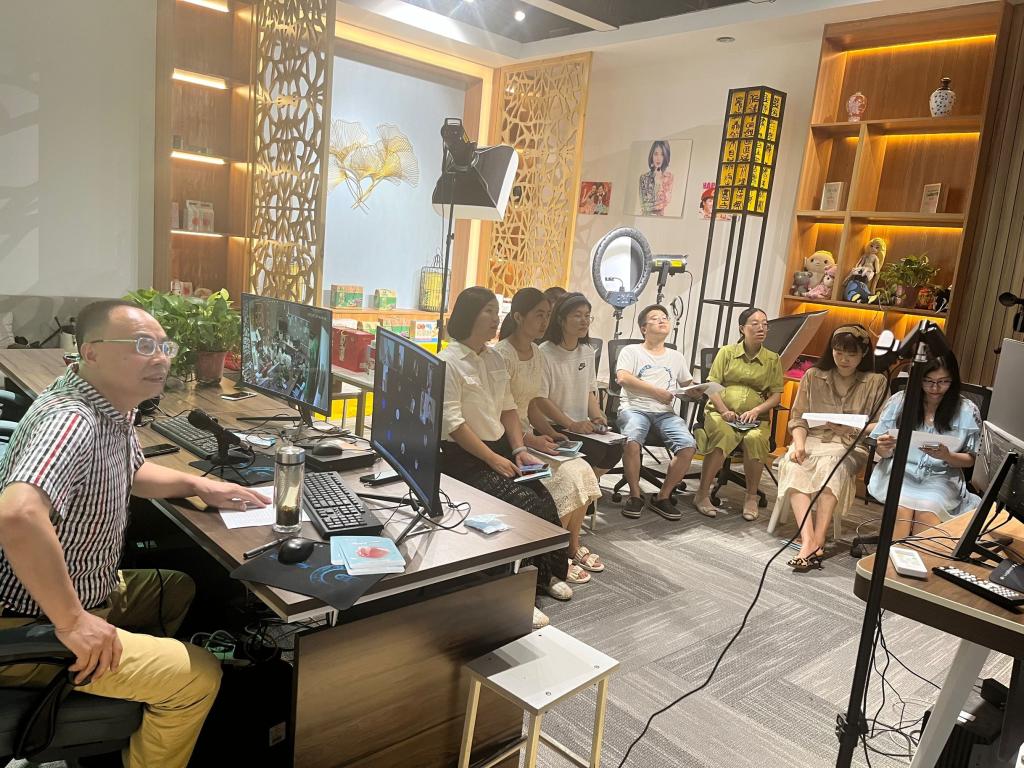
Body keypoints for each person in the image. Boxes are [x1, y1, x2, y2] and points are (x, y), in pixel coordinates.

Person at [0, 299, 271, 768]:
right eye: (143, 345)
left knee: (178, 588)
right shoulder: (72, 421)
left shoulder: (105, 403)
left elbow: (129, 470)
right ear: (90, 351)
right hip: (28, 621)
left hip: (81, 588)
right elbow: (17, 516)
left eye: (164, 346)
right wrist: (72, 622)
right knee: (201, 676)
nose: (160, 358)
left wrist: (199, 485)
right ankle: (137, 690)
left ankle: (129, 698)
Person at [438, 287, 573, 629]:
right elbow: (454, 424)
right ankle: (516, 593)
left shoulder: (494, 358)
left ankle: (545, 576)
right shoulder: (448, 361)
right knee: (519, 505)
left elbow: (509, 409)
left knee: (544, 498)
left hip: (497, 450)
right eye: (488, 310)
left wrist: (518, 450)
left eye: (496, 310)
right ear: (468, 315)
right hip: (463, 459)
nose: (495, 317)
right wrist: (492, 459)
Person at [496, 288, 604, 579]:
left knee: (583, 470)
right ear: (518, 317)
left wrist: (550, 433)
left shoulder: (535, 354)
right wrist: (530, 439)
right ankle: (554, 557)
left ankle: (571, 546)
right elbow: (501, 411)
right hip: (506, 441)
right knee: (565, 480)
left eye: (547, 315)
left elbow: (532, 404)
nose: (544, 321)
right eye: (539, 315)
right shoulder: (501, 355)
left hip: (528, 435)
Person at [773, 325, 887, 571]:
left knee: (831, 465)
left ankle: (819, 537)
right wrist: (799, 445)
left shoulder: (875, 382)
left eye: (851, 354)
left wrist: (852, 427)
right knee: (795, 463)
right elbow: (798, 419)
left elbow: (881, 424)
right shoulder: (814, 376)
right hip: (812, 439)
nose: (844, 359)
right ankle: (809, 541)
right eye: (838, 352)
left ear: (864, 354)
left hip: (849, 444)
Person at [868, 351, 981, 540]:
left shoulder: (966, 410)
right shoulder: (900, 401)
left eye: (943, 381)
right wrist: (883, 447)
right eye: (928, 381)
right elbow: (882, 450)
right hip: (900, 470)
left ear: (953, 380)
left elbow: (971, 459)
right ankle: (891, 556)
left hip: (942, 476)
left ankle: (918, 557)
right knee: (901, 510)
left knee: (928, 511)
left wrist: (947, 456)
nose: (935, 388)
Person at [695, 307, 784, 521]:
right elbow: (711, 386)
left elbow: (776, 396)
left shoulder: (772, 359)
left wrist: (756, 410)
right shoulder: (726, 352)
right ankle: (702, 494)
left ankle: (751, 497)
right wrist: (724, 411)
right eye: (755, 323)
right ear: (742, 328)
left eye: (765, 324)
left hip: (755, 418)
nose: (761, 328)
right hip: (721, 413)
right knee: (725, 434)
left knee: (755, 439)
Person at [614, 305, 700, 520]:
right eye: (655, 318)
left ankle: (662, 496)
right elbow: (623, 377)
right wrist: (656, 392)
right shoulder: (631, 351)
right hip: (634, 408)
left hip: (665, 413)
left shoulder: (676, 356)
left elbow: (687, 384)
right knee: (632, 441)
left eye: (665, 317)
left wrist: (695, 390)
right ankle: (635, 496)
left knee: (688, 446)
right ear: (644, 328)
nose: (662, 320)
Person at [534, 293, 623, 477]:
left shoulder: (587, 351)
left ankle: (589, 486)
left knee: (616, 448)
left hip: (582, 425)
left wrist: (597, 417)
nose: (584, 321)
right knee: (595, 452)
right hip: (555, 425)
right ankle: (583, 487)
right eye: (577, 315)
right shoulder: (544, 353)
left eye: (587, 315)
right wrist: (571, 424)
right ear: (561, 320)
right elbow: (541, 399)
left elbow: (588, 391)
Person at [638, 140, 674, 216]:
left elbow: (666, 201)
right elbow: (643, 204)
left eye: (662, 154)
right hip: (645, 217)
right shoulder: (643, 178)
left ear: (666, 156)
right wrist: (655, 204)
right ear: (652, 155)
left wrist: (650, 205)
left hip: (661, 218)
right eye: (656, 154)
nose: (658, 158)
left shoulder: (669, 177)